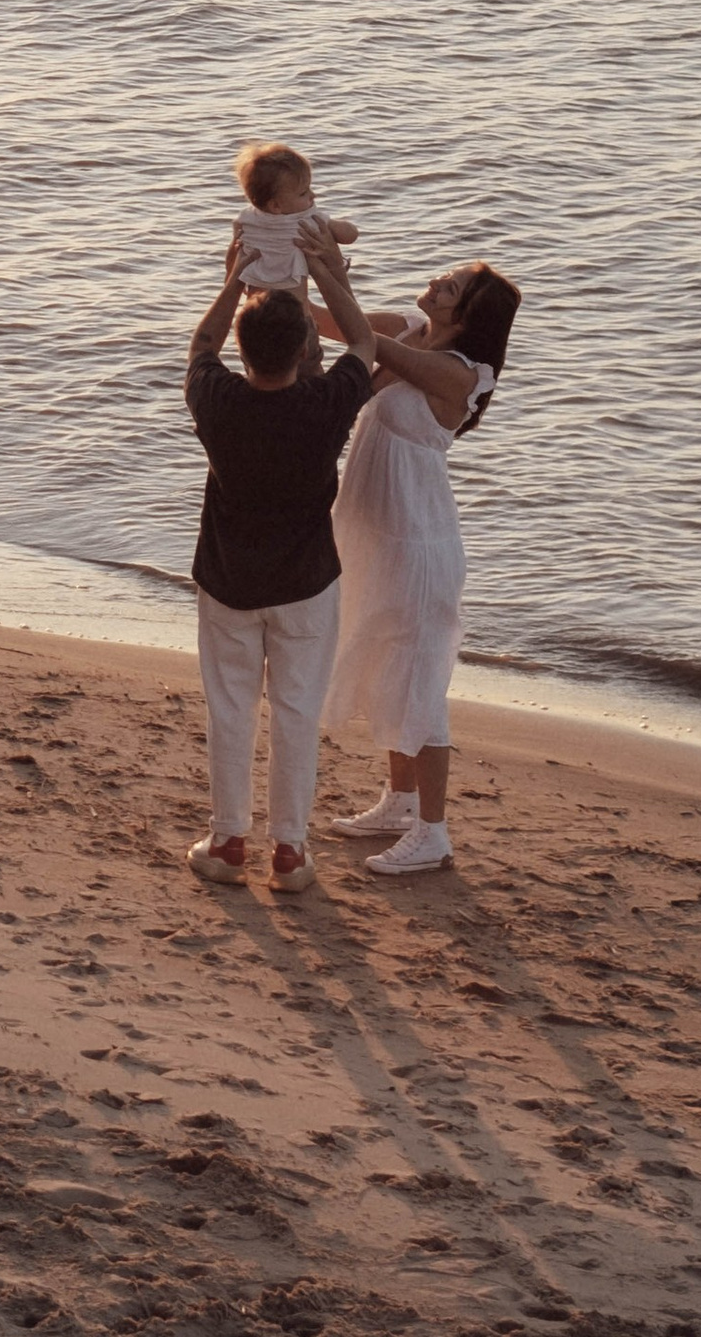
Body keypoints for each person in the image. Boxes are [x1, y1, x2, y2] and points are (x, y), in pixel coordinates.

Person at [182, 217, 377, 898]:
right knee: (296, 711)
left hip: (229, 579)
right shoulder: (325, 404)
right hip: (305, 584)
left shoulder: (217, 398)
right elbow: (362, 341)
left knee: (231, 707)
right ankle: (289, 850)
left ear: (244, 350)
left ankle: (229, 838)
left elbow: (202, 344)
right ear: (303, 351)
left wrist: (234, 278)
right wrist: (326, 269)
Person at [321, 260, 522, 878]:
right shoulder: (414, 328)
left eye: (451, 288)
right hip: (374, 538)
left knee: (420, 685)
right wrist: (282, 266)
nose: (435, 283)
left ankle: (433, 833)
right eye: (443, 275)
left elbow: (361, 338)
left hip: (417, 546)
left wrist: (326, 263)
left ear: (466, 316)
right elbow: (328, 323)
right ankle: (400, 802)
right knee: (386, 666)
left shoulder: (460, 373)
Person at [230, 139, 359, 293]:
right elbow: (349, 235)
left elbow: (234, 259)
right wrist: (339, 227)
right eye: (303, 193)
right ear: (276, 206)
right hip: (295, 309)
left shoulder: (245, 221)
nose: (313, 195)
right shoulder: (305, 221)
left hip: (256, 306)